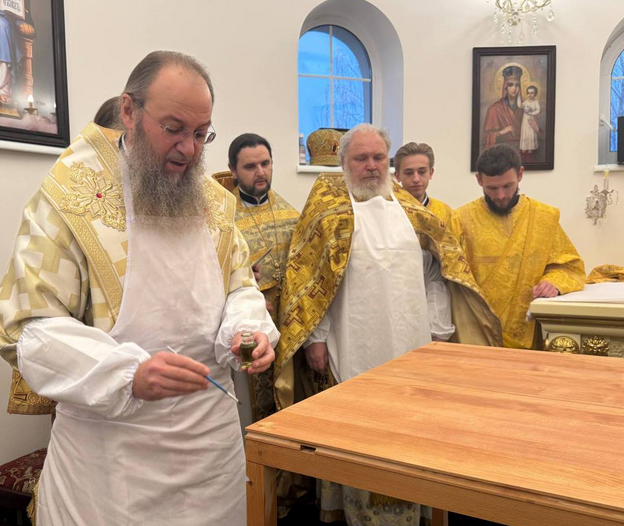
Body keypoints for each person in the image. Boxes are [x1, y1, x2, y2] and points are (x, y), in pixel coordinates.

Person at [0, 50, 278, 526]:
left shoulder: (214, 203)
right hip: (111, 463)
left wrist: (246, 329)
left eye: (201, 133)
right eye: (173, 129)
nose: (189, 149)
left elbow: (240, 285)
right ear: (129, 111)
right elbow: (28, 328)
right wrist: (128, 373)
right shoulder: (71, 198)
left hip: (210, 450)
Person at [275, 123, 501, 525]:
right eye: (361, 158)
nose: (371, 166)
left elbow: (437, 276)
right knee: (356, 430)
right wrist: (316, 339)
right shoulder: (327, 213)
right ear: (344, 162)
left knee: (413, 428)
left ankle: (415, 510)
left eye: (378, 157)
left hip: (411, 344)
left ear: (388, 162)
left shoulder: (413, 213)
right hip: (352, 343)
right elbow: (312, 281)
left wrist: (438, 332)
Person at [449, 144, 585, 350]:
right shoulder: (460, 220)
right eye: (492, 188)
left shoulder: (543, 217)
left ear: (520, 174)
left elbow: (569, 266)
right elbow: (450, 278)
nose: (501, 195)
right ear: (479, 180)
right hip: (477, 332)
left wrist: (553, 282)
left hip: (529, 331)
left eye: (507, 186)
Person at [212, 133, 299, 426]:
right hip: (243, 330)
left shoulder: (292, 216)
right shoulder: (222, 220)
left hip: (286, 328)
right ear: (233, 170)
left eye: (265, 163)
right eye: (250, 166)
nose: (260, 172)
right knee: (248, 415)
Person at [394, 141, 452, 225]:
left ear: (431, 173)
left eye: (421, 172)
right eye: (409, 173)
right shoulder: (388, 211)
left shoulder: (445, 213)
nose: (416, 179)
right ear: (397, 176)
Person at [482, 65, 524, 153]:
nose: (514, 88)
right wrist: (503, 131)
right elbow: (486, 138)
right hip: (502, 153)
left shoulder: (525, 109)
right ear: (505, 87)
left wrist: (536, 129)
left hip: (523, 152)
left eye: (517, 85)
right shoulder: (494, 109)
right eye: (510, 85)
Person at [520, 85, 540, 160]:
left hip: (532, 120)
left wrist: (532, 113)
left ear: (535, 94)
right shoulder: (526, 102)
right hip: (525, 120)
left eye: (532, 93)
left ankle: (530, 148)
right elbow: (520, 106)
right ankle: (524, 147)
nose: (530, 95)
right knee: (525, 133)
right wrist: (518, 97)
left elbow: (538, 110)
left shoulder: (536, 102)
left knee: (531, 133)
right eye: (528, 93)